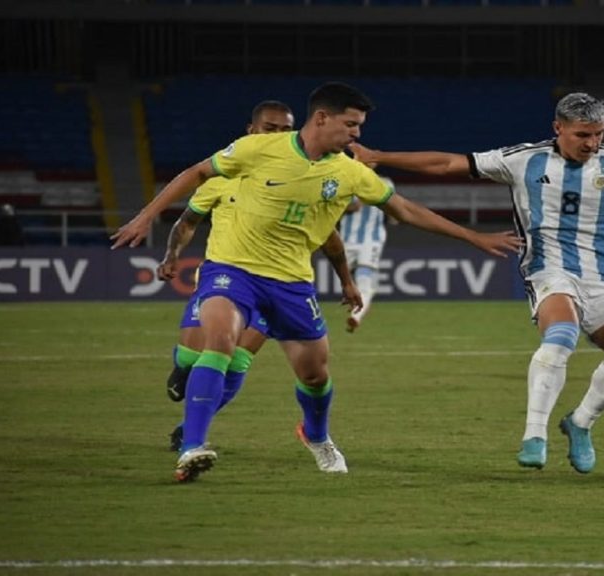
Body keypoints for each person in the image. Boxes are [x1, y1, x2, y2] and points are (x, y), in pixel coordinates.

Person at [111, 81, 522, 482]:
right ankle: (192, 447)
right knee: (220, 342)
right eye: (351, 124)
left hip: (291, 284)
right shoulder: (258, 149)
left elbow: (403, 210)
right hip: (231, 270)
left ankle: (316, 434)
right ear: (322, 118)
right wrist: (146, 217)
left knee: (315, 376)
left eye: (359, 126)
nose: (357, 134)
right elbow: (197, 172)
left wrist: (472, 237)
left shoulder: (349, 173)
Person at [350, 92, 604, 474]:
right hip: (549, 269)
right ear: (558, 127)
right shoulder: (523, 159)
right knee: (561, 335)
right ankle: (535, 435)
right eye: (582, 134)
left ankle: (580, 423)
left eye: (598, 134)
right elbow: (448, 163)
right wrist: (378, 156)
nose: (592, 143)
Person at [158, 100, 362, 452]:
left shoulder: (300, 175)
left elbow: (328, 232)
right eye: (270, 129)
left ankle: (190, 432)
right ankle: (184, 372)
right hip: (226, 277)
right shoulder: (222, 175)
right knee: (192, 356)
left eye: (285, 130)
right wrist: (172, 255)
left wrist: (346, 279)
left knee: (237, 359)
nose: (277, 135)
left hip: (277, 284)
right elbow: (188, 221)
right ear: (251, 130)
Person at [339, 174, 395, 333]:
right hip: (346, 239)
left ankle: (356, 317)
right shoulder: (346, 178)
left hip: (372, 240)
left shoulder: (385, 182)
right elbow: (345, 207)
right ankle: (362, 304)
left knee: (365, 280)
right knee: (349, 283)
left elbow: (393, 209)